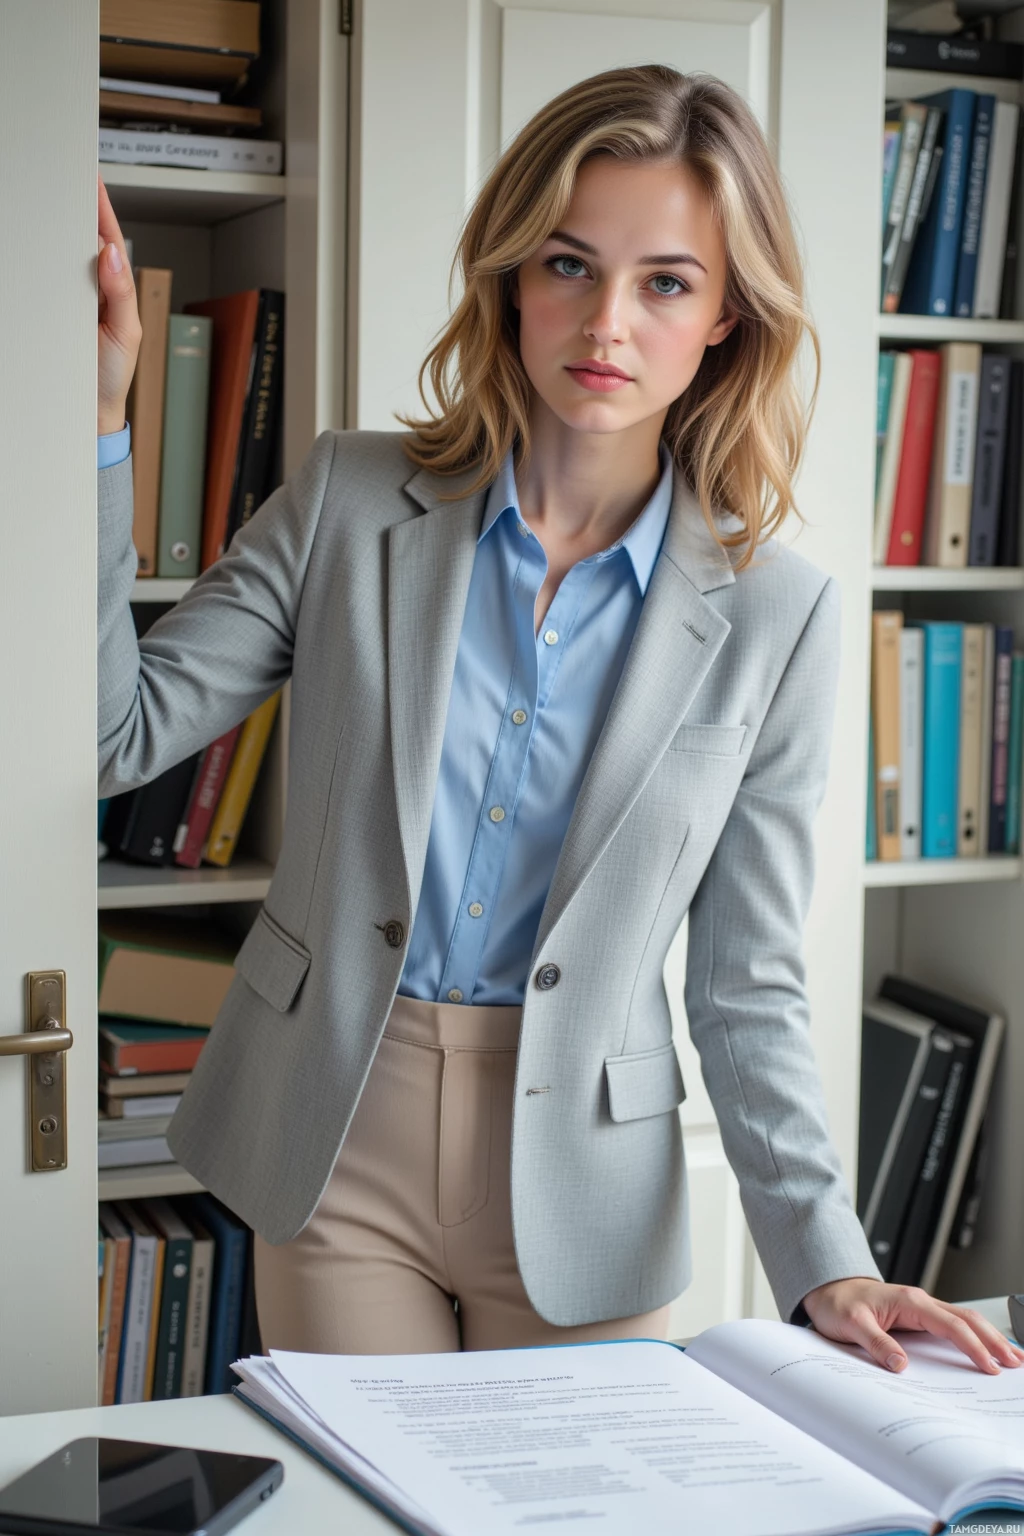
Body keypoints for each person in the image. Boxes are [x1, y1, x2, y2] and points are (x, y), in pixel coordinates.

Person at [96, 64, 1023, 1373]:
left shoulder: (782, 616)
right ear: (512, 279)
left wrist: (833, 1261)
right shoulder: (350, 501)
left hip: (587, 1184)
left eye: (667, 282)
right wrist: (93, 430)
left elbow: (745, 980)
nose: (608, 324)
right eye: (571, 265)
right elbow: (107, 734)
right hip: (340, 1135)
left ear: (725, 321)